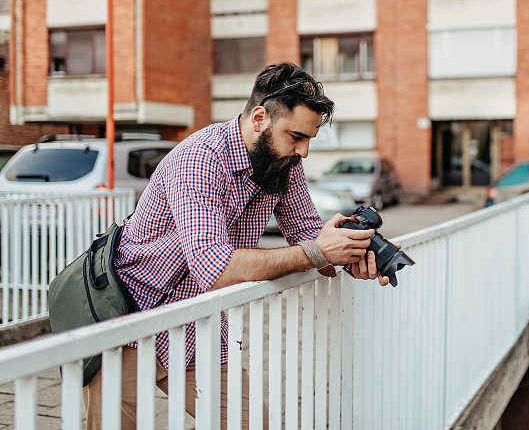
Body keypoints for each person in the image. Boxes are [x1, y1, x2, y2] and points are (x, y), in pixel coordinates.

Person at [83, 62, 391, 428]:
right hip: (125, 314)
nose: (304, 152)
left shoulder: (283, 164)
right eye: (296, 137)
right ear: (259, 118)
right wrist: (317, 252)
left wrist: (355, 253)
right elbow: (214, 269)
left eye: (309, 139)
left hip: (196, 323)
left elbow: (310, 236)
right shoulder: (199, 158)